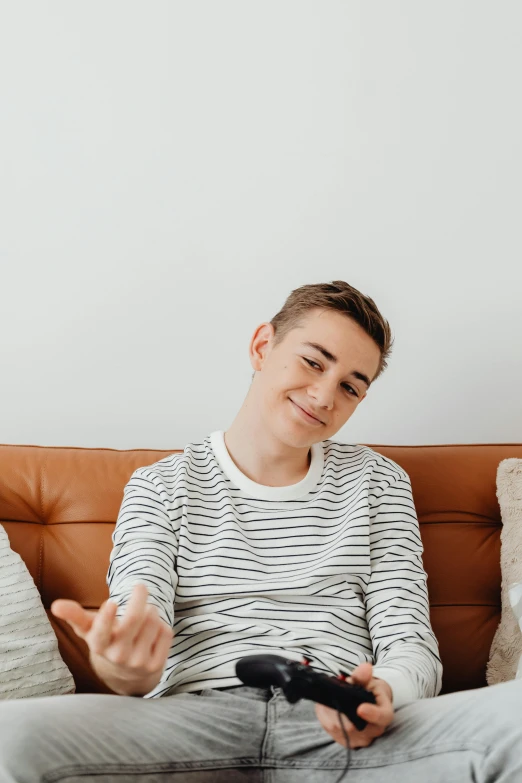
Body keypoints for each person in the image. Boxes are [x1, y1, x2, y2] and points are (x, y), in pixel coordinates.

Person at [0, 280, 521, 783]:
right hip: (192, 725)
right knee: (11, 735)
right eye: (313, 362)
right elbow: (141, 639)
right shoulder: (159, 485)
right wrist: (124, 667)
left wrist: (382, 691)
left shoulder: (378, 482)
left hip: (340, 723)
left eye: (349, 387)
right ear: (262, 346)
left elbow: (409, 642)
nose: (322, 395)